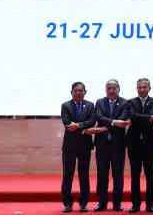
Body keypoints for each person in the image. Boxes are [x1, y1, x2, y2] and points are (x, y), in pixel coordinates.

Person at [92, 79, 131, 212]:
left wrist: (109, 122)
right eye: (109, 88)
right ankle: (102, 202)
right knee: (102, 174)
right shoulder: (99, 102)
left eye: (114, 88)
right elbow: (98, 117)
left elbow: (124, 118)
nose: (111, 90)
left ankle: (117, 203)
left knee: (118, 175)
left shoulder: (125, 103)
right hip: (102, 144)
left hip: (118, 145)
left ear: (119, 89)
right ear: (105, 90)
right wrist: (114, 122)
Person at [126, 78, 153, 213]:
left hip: (150, 144)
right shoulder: (130, 102)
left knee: (150, 175)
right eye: (140, 87)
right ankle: (135, 204)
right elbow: (134, 116)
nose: (142, 89)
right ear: (136, 89)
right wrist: (147, 118)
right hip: (133, 143)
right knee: (135, 175)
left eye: (145, 87)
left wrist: (140, 118)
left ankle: (150, 204)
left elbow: (149, 116)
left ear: (149, 88)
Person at [60, 82, 96, 213]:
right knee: (67, 175)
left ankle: (83, 203)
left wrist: (79, 125)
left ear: (85, 92)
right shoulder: (65, 105)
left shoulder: (90, 105)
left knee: (84, 175)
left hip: (85, 145)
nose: (78, 93)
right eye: (75, 90)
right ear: (71, 92)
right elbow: (66, 122)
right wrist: (82, 125)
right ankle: (67, 203)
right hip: (69, 146)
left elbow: (92, 121)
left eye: (80, 90)